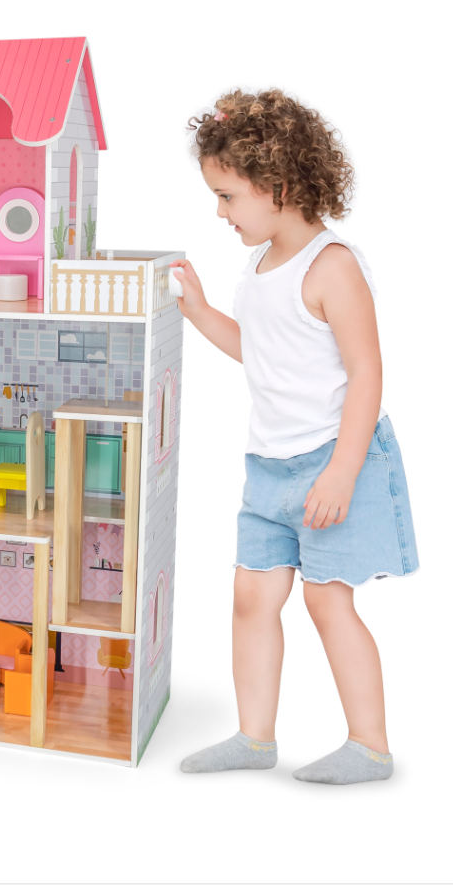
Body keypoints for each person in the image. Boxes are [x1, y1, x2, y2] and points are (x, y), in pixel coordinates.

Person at [172, 90, 418, 784]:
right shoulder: (260, 265)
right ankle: (254, 738)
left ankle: (369, 746)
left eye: (227, 197)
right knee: (251, 598)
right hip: (269, 468)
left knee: (326, 598)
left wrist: (341, 472)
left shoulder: (330, 265)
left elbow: (367, 374)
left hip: (334, 459)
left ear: (277, 185)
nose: (220, 213)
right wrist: (199, 311)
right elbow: (260, 353)